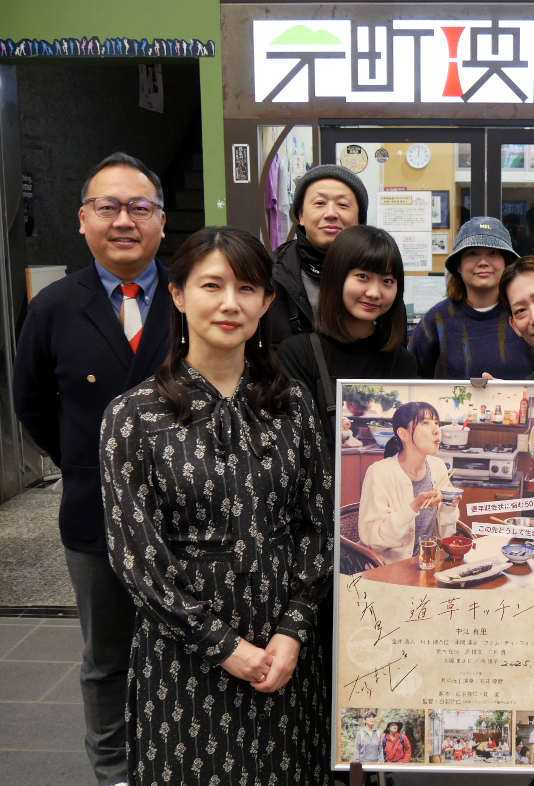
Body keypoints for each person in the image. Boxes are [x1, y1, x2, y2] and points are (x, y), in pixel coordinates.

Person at [99, 226, 334, 785]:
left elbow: (318, 523)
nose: (231, 303)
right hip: (184, 654)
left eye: (247, 288)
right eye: (212, 285)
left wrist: (293, 629)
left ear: (266, 303)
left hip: (284, 648)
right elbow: (136, 557)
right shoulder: (133, 416)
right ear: (178, 295)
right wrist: (224, 646)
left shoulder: (293, 403)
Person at [13, 152, 171, 786]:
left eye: (140, 207)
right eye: (108, 207)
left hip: (187, 516)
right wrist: (87, 464)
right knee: (106, 656)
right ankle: (115, 770)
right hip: (94, 513)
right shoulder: (53, 305)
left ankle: (180, 757)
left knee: (186, 646)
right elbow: (32, 404)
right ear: (83, 220)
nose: (124, 220)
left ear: (162, 220)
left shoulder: (193, 294)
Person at [277, 225, 417, 442]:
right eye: (363, 276)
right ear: (336, 277)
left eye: (388, 281)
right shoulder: (297, 354)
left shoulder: (403, 362)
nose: (374, 292)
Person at [409, 216, 534, 379]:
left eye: (493, 252)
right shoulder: (436, 320)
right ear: (459, 265)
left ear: (507, 263)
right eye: (473, 253)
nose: (483, 262)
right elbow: (415, 379)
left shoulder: (528, 316)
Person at [265, 164, 369, 347]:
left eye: (343, 205)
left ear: (360, 219)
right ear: (301, 215)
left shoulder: (378, 274)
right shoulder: (271, 272)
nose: (331, 214)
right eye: (320, 203)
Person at [357, 401, 460, 564]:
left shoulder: (438, 466)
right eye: (425, 423)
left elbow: (445, 535)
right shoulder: (379, 472)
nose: (436, 430)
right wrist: (413, 507)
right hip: (388, 569)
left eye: (437, 423)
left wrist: (449, 505)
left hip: (428, 564)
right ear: (403, 434)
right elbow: (374, 541)